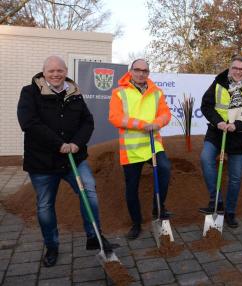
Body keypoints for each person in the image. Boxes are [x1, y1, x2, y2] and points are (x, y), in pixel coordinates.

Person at [17, 56, 117, 267]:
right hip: (42, 163)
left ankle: (94, 236)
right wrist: (58, 144)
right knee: (45, 206)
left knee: (88, 190)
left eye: (59, 70)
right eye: (51, 71)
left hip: (74, 158)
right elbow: (29, 123)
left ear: (65, 72)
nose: (56, 74)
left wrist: (77, 143)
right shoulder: (30, 92)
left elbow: (87, 121)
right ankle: (52, 246)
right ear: (43, 72)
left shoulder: (74, 93)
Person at [109, 59, 172, 240]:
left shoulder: (156, 92)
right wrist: (142, 125)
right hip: (131, 148)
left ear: (148, 73)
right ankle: (136, 224)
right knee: (131, 187)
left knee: (165, 169)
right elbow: (115, 118)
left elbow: (165, 114)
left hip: (153, 144)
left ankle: (157, 208)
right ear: (130, 71)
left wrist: (157, 123)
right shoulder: (119, 93)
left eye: (145, 70)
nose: (141, 73)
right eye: (137, 70)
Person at [199, 55, 242, 228]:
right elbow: (206, 105)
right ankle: (216, 200)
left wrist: (239, 125)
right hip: (216, 132)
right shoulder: (218, 82)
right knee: (206, 159)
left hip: (238, 136)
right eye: (235, 68)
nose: (238, 72)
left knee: (235, 177)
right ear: (230, 68)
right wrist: (218, 122)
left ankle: (230, 211)